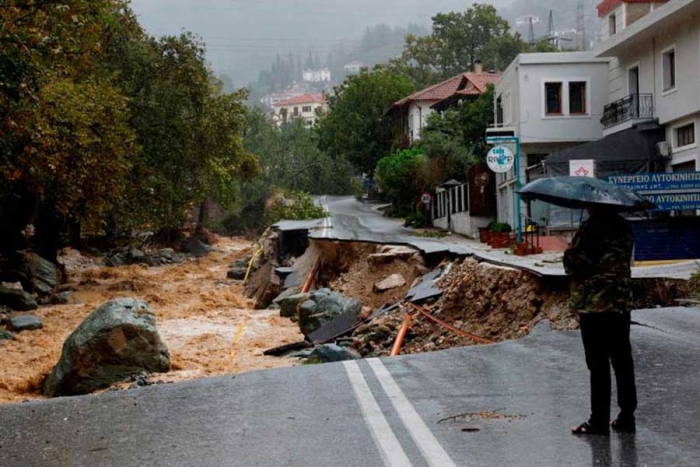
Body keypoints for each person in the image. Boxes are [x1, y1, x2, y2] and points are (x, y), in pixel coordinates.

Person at [563, 205, 637, 435]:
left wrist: (569, 249)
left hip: (595, 305)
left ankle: (598, 421)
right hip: (620, 304)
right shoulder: (625, 227)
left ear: (593, 205)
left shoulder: (591, 229)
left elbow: (573, 264)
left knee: (598, 364)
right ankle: (627, 416)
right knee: (622, 361)